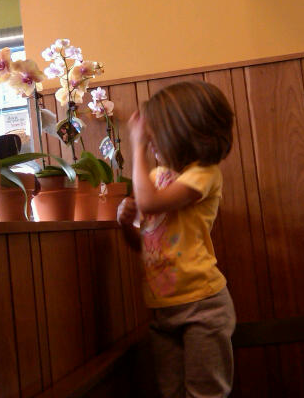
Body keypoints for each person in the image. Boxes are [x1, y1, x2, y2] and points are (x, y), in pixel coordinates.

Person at [117, 81, 236, 398]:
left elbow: (149, 203)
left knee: (205, 393)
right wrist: (125, 223)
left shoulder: (204, 174)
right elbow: (143, 244)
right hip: (163, 308)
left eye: (156, 134)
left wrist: (137, 146)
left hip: (202, 306)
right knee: (172, 392)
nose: (151, 139)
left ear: (184, 132)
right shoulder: (156, 178)